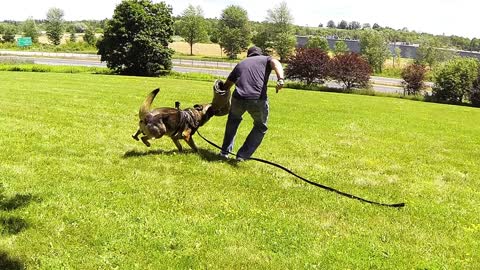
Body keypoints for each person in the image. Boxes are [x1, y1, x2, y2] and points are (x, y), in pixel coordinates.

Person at [219, 46, 285, 161]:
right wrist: (280, 79)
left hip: (238, 97)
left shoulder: (241, 63)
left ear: (248, 55)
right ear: (260, 54)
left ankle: (224, 152)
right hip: (257, 98)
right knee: (260, 126)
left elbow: (227, 86)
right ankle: (242, 155)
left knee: (232, 121)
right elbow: (276, 62)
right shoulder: (266, 59)